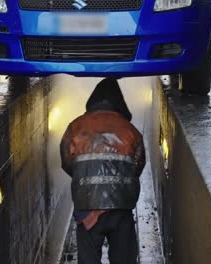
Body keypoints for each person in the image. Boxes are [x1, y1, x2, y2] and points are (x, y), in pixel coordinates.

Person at [60, 78, 145, 264]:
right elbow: (137, 166)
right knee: (124, 259)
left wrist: (86, 177)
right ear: (120, 102)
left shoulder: (75, 127)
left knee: (88, 259)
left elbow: (67, 163)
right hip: (121, 207)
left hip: (87, 205)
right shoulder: (131, 130)